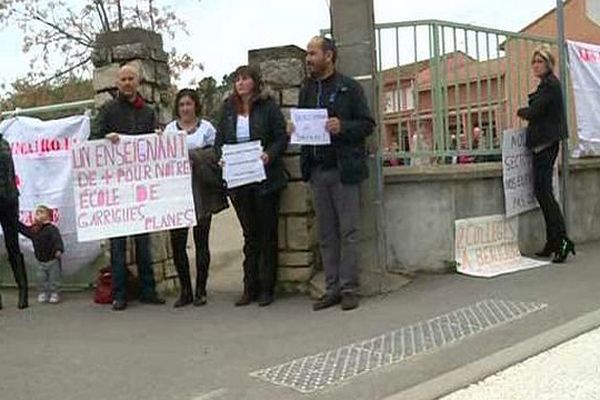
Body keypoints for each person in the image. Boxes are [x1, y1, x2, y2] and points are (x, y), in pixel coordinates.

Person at [296, 37, 375, 311]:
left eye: (312, 53)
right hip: (318, 171)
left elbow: (367, 125)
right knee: (327, 234)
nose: (308, 59)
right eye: (307, 54)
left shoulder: (349, 88)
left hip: (344, 172)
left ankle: (349, 287)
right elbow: (305, 125)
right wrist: (295, 131)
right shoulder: (307, 90)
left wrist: (343, 126)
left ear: (328, 56)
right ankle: (331, 289)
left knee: (349, 231)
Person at [92, 64, 166, 310]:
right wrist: (106, 139)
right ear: (117, 82)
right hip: (116, 189)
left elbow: (155, 147)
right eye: (122, 79)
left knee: (143, 242)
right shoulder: (108, 110)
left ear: (138, 81)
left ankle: (148, 290)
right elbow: (92, 141)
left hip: (140, 188)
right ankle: (119, 294)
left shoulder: (147, 112)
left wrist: (157, 138)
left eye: (130, 79)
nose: (126, 83)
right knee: (118, 245)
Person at [215, 65, 288, 307]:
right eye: (237, 79)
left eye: (245, 78)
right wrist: (221, 158)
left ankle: (267, 287)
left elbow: (281, 137)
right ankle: (250, 287)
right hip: (239, 180)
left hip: (265, 178)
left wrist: (269, 155)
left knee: (267, 234)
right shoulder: (228, 109)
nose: (240, 83)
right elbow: (220, 142)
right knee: (250, 235)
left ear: (254, 82)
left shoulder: (268, 107)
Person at [163, 89, 228, 307]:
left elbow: (217, 153)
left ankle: (201, 289)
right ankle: (185, 290)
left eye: (189, 104)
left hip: (201, 188)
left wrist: (194, 158)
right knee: (178, 243)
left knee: (201, 241)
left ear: (195, 106)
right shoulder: (170, 130)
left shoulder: (207, 129)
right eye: (181, 105)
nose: (185, 108)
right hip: (177, 192)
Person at [517, 45, 575, 263]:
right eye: (534, 62)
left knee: (545, 195)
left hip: (545, 145)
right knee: (543, 194)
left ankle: (561, 241)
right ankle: (553, 241)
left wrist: (521, 111)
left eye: (540, 61)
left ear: (549, 64)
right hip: (543, 145)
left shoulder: (550, 85)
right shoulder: (546, 85)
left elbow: (535, 111)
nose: (536, 65)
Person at [0, 120, 28, 310]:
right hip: (9, 197)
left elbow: (5, 176)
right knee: (12, 247)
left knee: (13, 246)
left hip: (7, 199)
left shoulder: (3, 146)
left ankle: (23, 291)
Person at [18, 205, 64, 304]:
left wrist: (59, 250)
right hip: (40, 260)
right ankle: (43, 292)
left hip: (52, 259)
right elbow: (25, 230)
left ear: (48, 216)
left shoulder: (52, 229)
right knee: (41, 278)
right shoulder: (35, 230)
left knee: (54, 278)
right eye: (37, 212)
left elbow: (57, 240)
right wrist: (16, 223)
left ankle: (54, 293)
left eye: (41, 212)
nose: (38, 214)